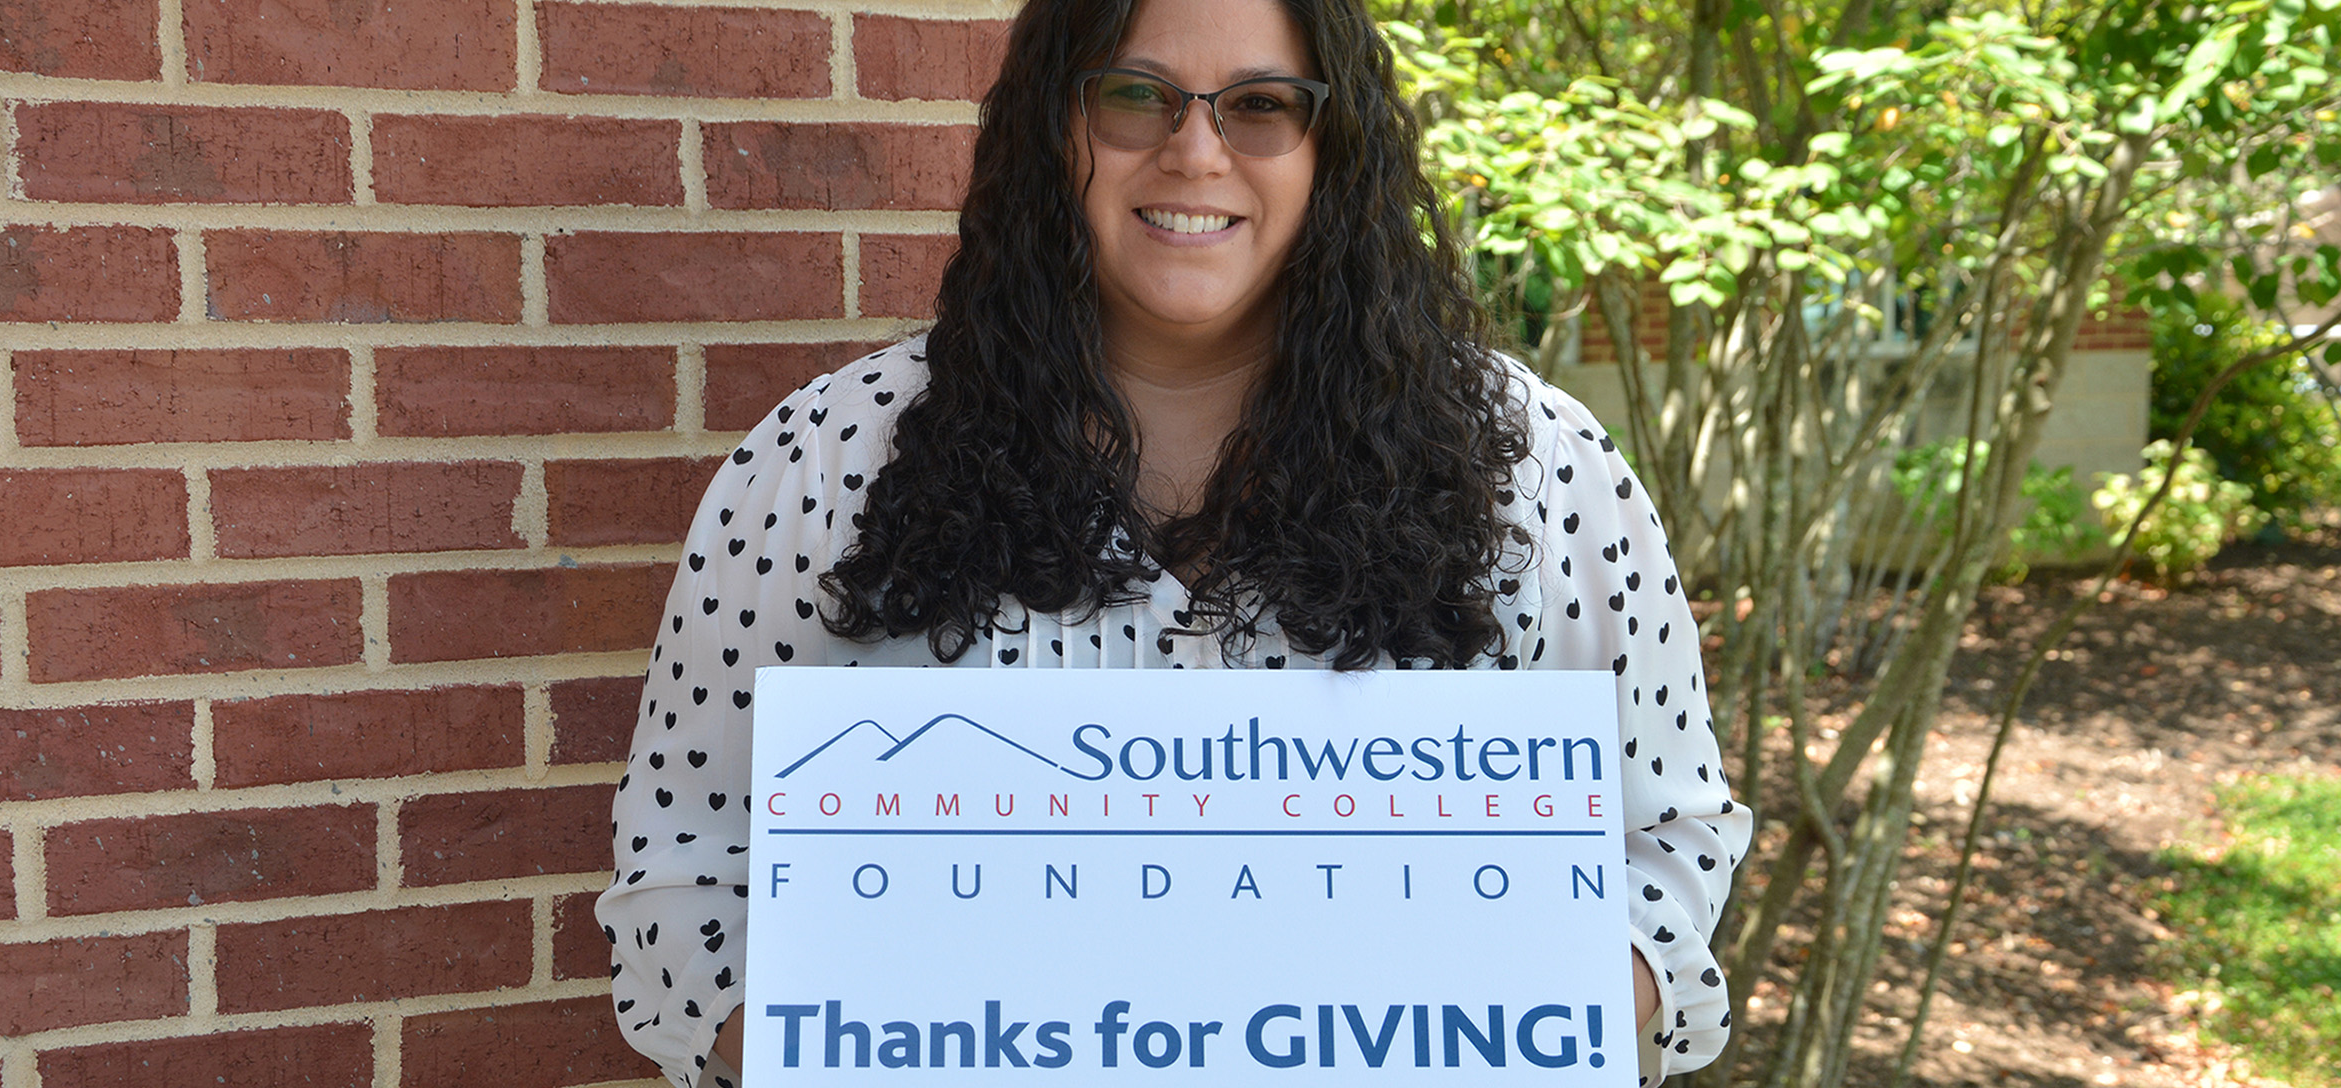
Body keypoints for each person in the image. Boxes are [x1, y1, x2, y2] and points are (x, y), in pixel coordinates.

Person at [596, 0, 1751, 1081]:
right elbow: (686, 863)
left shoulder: (1534, 468)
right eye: (1137, 96)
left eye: (1260, 105)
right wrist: (816, 1043)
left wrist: (1541, 1015)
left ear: (1331, 148)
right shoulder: (828, 461)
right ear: (1056, 124)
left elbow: (1669, 837)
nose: (1196, 154)